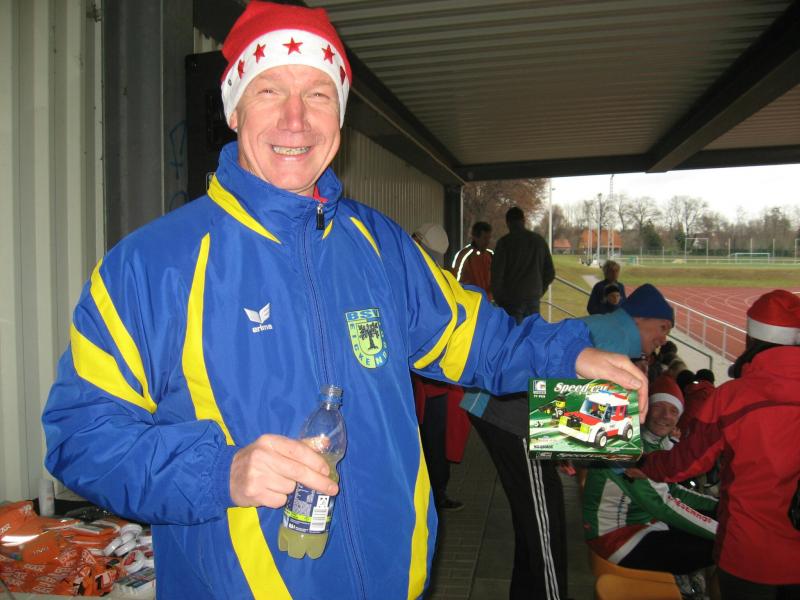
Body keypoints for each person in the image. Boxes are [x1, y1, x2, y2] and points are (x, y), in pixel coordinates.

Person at [40, 3, 647, 599]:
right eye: (270, 91)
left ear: (340, 116)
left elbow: (478, 339)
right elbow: (82, 437)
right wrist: (220, 472)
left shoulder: (379, 243)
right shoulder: (150, 266)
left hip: (398, 583)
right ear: (233, 109)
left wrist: (572, 356)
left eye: (318, 94)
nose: (296, 119)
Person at [464, 282, 671, 599]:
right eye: (663, 327)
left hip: (512, 412)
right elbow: (587, 413)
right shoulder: (617, 335)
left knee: (537, 520)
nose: (664, 338)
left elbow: (573, 404)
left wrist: (569, 450)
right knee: (545, 526)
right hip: (513, 416)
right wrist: (625, 462)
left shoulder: (614, 331)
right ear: (639, 318)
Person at [637, 289, 800, 600]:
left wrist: (645, 463)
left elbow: (685, 463)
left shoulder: (731, 398)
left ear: (752, 339)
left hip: (749, 555)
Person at [583, 375, 717, 573]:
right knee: (719, 547)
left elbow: (673, 491)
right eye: (658, 407)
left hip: (645, 525)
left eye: (673, 411)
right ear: (645, 409)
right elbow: (663, 505)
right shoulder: (626, 445)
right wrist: (722, 532)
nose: (665, 416)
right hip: (616, 539)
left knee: (717, 521)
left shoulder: (656, 444)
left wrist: (718, 506)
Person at [411, 223, 468, 512]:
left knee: (432, 438)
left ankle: (435, 494)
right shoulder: (442, 280)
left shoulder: (421, 277)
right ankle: (436, 493)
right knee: (432, 438)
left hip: (431, 382)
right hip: (431, 382)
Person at [491, 206, 555, 319]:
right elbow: (550, 272)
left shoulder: (505, 243)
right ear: (523, 220)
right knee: (531, 329)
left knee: (513, 329)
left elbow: (497, 275)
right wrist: (538, 290)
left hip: (511, 300)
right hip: (533, 298)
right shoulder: (539, 241)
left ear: (507, 223)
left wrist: (499, 299)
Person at [451, 221, 493, 298]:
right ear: (475, 237)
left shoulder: (490, 255)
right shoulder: (464, 255)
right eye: (485, 238)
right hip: (470, 300)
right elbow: (454, 280)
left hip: (487, 300)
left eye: (489, 238)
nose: (488, 242)